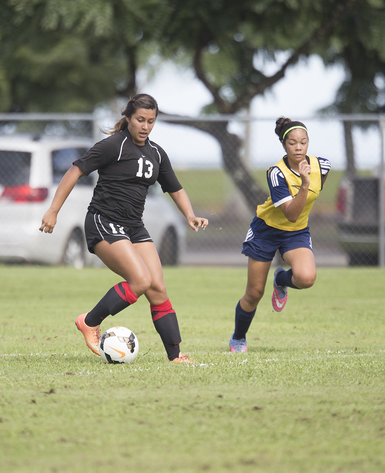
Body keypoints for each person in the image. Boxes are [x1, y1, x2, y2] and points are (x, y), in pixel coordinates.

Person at [40, 94, 209, 363]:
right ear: (128, 118)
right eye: (140, 120)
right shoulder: (113, 145)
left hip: (133, 227)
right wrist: (53, 211)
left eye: (150, 121)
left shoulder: (156, 153)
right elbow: (74, 171)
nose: (145, 126)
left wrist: (190, 215)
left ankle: (175, 356)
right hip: (103, 221)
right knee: (141, 280)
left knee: (157, 288)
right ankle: (89, 321)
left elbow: (175, 188)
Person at [229, 117, 331, 353]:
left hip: (296, 233)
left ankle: (281, 280)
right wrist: (304, 184)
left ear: (308, 144)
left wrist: (308, 183)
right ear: (284, 145)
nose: (298, 147)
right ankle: (238, 338)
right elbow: (291, 213)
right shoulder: (276, 173)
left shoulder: (322, 166)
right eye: (293, 143)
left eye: (303, 142)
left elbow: (300, 216)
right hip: (266, 231)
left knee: (306, 278)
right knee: (254, 293)